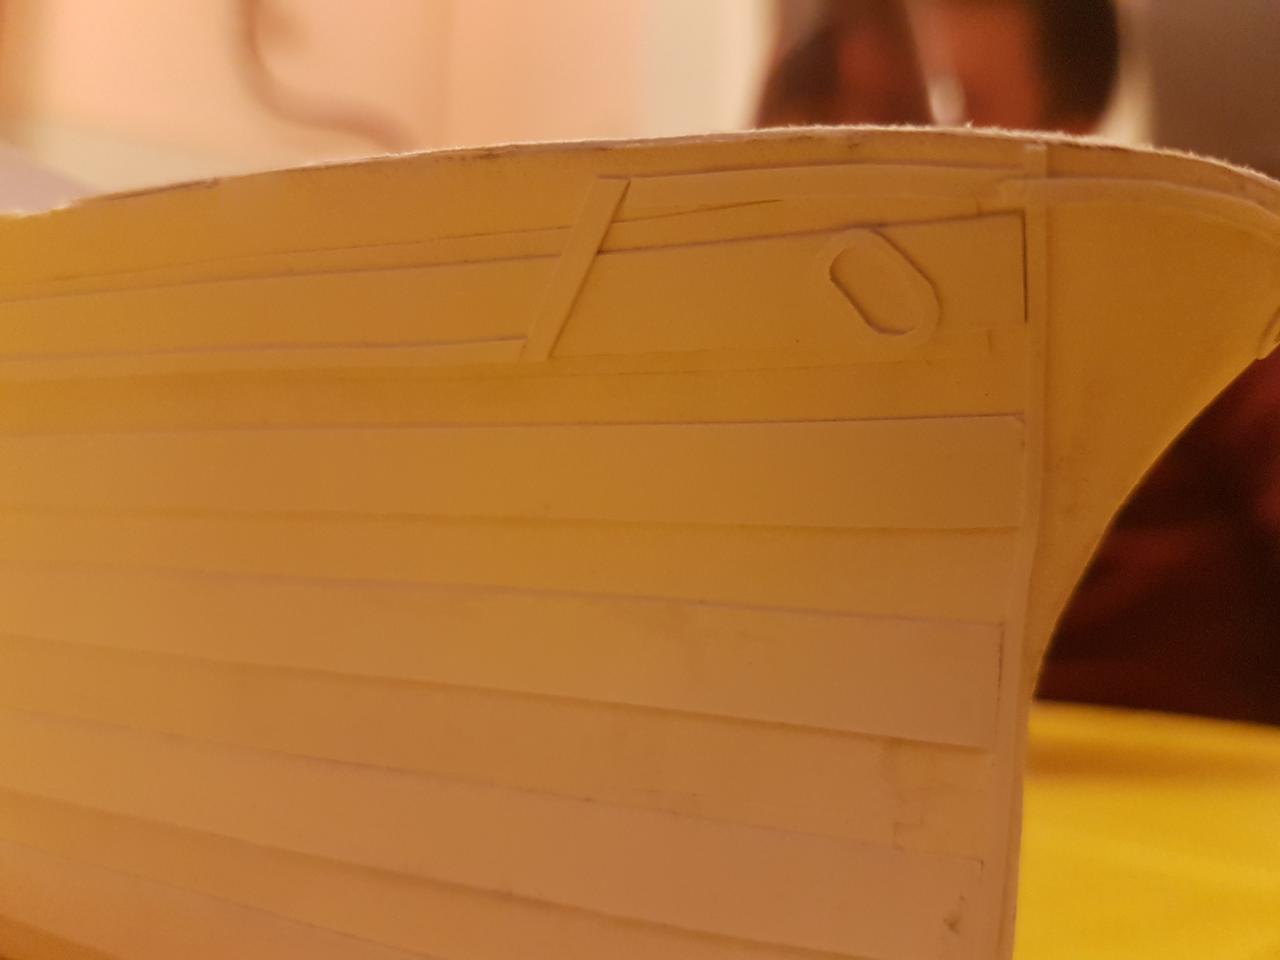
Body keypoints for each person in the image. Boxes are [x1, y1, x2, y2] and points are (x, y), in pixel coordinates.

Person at [756, 0, 1280, 725]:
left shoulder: (1210, 320)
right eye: (828, 116)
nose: (860, 171)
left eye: (929, 116)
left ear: (1075, 139)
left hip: (1140, 768)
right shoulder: (775, 395)